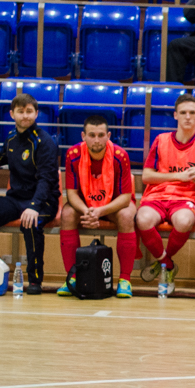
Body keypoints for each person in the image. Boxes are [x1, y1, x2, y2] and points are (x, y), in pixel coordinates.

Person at [0, 92, 60, 294]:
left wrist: (34, 207)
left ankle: (35, 280)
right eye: (21, 111)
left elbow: (47, 179)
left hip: (44, 201)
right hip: (16, 198)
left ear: (36, 114)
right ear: (12, 114)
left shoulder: (45, 142)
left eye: (29, 111)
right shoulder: (11, 138)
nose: (25, 116)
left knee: (30, 223)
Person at [136, 93, 195, 297]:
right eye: (183, 113)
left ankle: (163, 263)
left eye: (192, 113)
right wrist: (179, 176)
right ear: (175, 115)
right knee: (142, 219)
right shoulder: (161, 140)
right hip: (157, 196)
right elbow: (146, 176)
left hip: (188, 199)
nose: (188, 117)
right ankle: (168, 265)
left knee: (183, 221)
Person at [58, 115, 137, 298]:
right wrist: (87, 211)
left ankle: (125, 280)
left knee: (127, 215)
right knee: (68, 213)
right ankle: (72, 277)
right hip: (86, 205)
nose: (96, 139)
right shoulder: (72, 155)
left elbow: (125, 198)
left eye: (101, 135)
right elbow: (71, 194)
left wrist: (99, 211)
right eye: (91, 135)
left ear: (108, 135)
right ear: (83, 136)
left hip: (114, 206)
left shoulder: (120, 156)